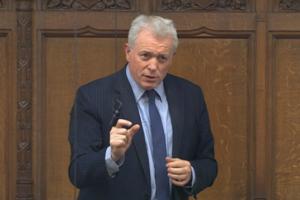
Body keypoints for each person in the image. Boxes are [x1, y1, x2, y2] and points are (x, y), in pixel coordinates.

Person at [68, 14, 217, 200]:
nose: (153, 66)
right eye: (145, 56)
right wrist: (111, 156)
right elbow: (78, 172)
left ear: (172, 57)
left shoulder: (190, 95)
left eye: (162, 58)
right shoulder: (92, 96)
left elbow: (208, 163)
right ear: (128, 51)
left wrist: (191, 174)